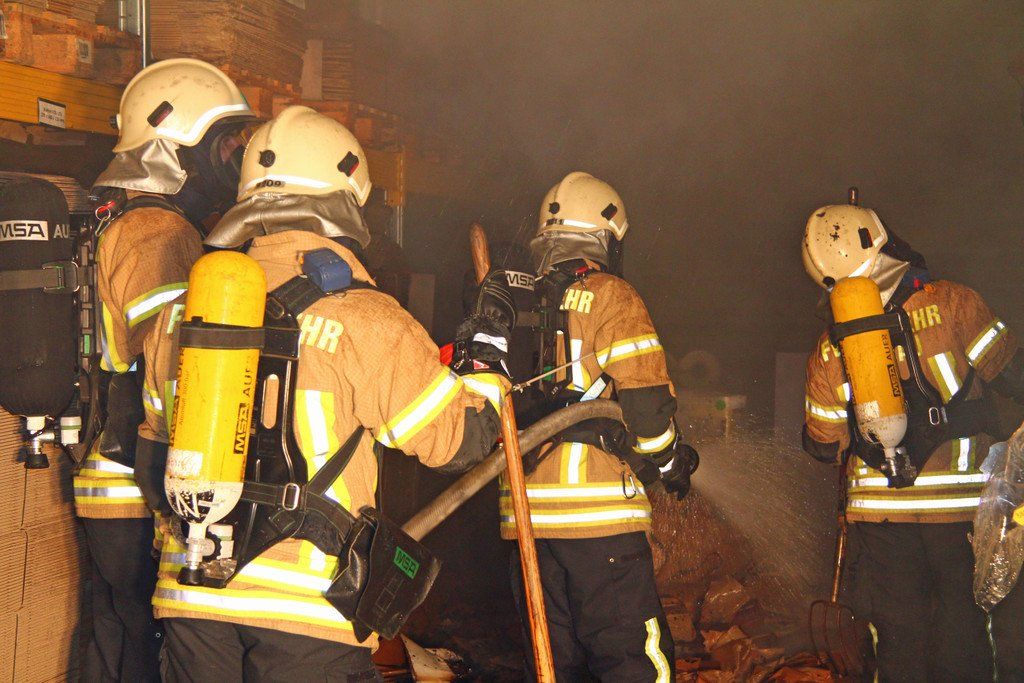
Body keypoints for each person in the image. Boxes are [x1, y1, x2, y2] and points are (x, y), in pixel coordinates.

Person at [136, 105, 516, 681]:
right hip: (304, 611)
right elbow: (458, 443)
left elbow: (151, 461)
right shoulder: (365, 318)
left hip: (191, 594)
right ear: (346, 203)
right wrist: (486, 361)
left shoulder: (178, 315)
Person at [73, 58, 254, 682]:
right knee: (145, 648)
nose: (234, 161)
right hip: (139, 478)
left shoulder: (122, 218)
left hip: (110, 474)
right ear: (175, 149)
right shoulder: (160, 233)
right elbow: (175, 366)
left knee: (114, 636)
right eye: (223, 146)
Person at [800, 195, 1024, 681]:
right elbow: (1014, 375)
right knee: (964, 631)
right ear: (880, 238)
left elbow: (822, 443)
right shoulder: (954, 303)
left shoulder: (831, 345)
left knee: (899, 640)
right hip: (960, 512)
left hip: (881, 517)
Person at [507, 171, 697, 681]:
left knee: (553, 665)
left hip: (524, 519)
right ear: (606, 237)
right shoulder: (611, 294)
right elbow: (647, 407)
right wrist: (670, 461)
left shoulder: (513, 301)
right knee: (631, 661)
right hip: (598, 519)